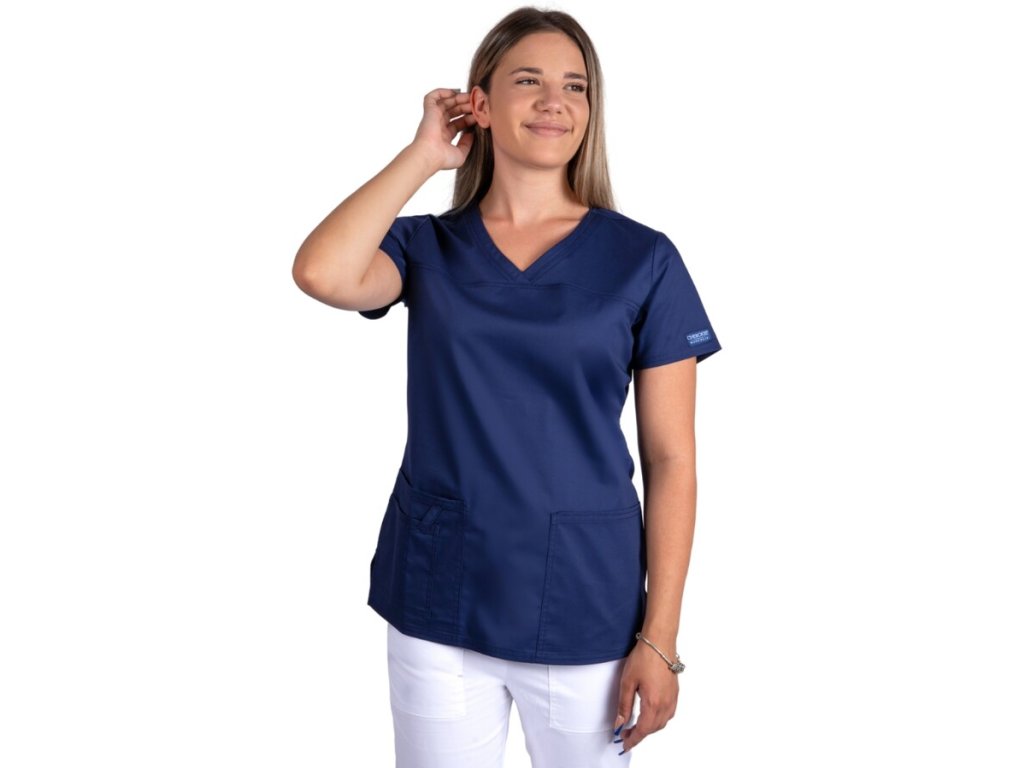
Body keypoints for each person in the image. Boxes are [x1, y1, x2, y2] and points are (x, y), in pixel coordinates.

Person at [292, 7, 722, 767]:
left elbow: (672, 460)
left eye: (575, 86)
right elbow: (321, 272)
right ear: (480, 104)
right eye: (528, 81)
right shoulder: (426, 247)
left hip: (584, 605)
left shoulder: (643, 260)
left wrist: (661, 637)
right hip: (438, 597)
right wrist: (425, 155)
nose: (555, 101)